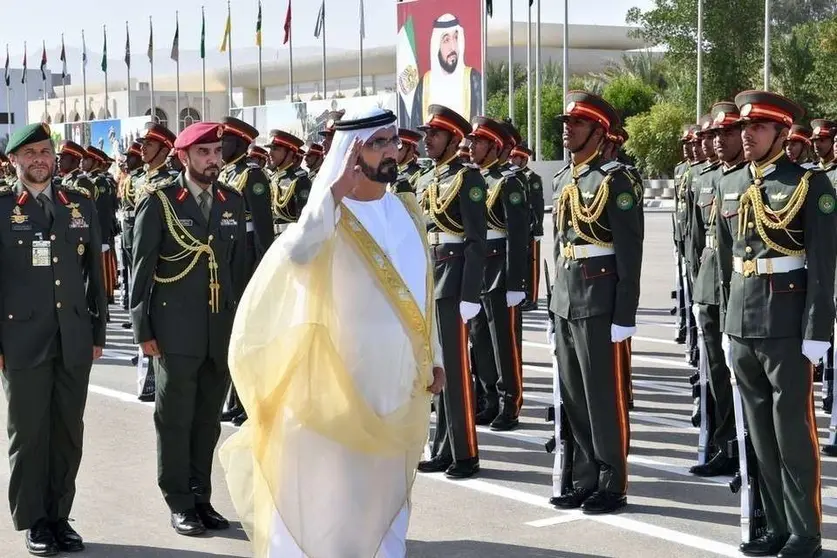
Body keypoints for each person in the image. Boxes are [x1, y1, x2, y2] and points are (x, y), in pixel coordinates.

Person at [219, 107, 444, 558]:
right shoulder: (328, 218)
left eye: (392, 142)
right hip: (339, 381)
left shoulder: (406, 210)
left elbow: (423, 295)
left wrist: (434, 357)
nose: (390, 151)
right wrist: (335, 191)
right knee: (331, 490)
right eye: (376, 143)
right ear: (350, 153)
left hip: (397, 380)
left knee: (386, 486)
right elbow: (297, 251)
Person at [716, 90, 834, 558]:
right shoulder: (734, 184)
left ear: (783, 135)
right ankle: (778, 526)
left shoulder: (809, 185)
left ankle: (806, 531)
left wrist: (817, 332)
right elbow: (729, 261)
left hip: (786, 325)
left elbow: (823, 266)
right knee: (760, 436)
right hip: (742, 322)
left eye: (758, 128)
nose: (746, 135)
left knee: (792, 435)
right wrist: (728, 325)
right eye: (743, 128)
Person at [131, 122, 246, 536]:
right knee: (175, 418)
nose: (213, 160)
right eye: (204, 153)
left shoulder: (231, 201)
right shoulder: (160, 203)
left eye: (217, 152)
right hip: (174, 330)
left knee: (207, 420)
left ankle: (201, 497)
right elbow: (141, 271)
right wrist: (143, 329)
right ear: (183, 157)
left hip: (218, 329)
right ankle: (179, 500)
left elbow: (239, 269)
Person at [0, 123, 106, 556]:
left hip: (74, 336)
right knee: (29, 435)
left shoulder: (77, 203)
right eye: (30, 154)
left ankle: (60, 517)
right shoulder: (4, 207)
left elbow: (94, 278)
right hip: (21, 337)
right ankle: (34, 521)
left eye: (45, 151)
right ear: (14, 161)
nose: (40, 159)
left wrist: (96, 330)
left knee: (67, 432)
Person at [550, 92, 642, 514]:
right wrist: (555, 302)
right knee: (574, 395)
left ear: (598, 130)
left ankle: (613, 481)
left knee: (603, 396)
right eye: (566, 123)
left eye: (577, 123)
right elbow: (559, 246)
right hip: (568, 297)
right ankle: (585, 478)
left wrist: (625, 314)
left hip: (600, 299)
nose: (567, 128)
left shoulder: (615, 179)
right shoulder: (564, 179)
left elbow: (629, 251)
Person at [414, 104, 487, 479]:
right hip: (431, 277)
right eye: (427, 134)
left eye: (435, 134)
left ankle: (466, 453)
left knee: (457, 371)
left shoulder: (469, 179)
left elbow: (477, 240)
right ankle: (442, 446)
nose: (428, 140)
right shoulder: (427, 179)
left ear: (453, 138)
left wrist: (471, 294)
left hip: (455, 278)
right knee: (437, 367)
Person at [687, 102, 743, 477]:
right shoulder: (708, 179)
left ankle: (742, 450)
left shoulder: (747, 179)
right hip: (708, 287)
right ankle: (725, 444)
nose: (715, 142)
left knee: (741, 379)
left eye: (722, 134)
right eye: (711, 136)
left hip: (738, 291)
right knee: (717, 375)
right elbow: (695, 240)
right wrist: (696, 287)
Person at [466, 116, 529, 431]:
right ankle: (488, 399)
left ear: (493, 146)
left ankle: (509, 404)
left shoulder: (509, 181)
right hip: (477, 269)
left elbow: (519, 236)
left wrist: (517, 281)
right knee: (480, 340)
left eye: (477, 141)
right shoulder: (475, 179)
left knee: (503, 341)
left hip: (500, 269)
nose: (471, 146)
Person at [401, 13, 482, 129]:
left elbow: (478, 125)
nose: (453, 47)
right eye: (446, 40)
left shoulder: (472, 79)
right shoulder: (425, 84)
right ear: (436, 46)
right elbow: (416, 129)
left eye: (456, 38)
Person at [83, 146, 120, 308]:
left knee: (102, 269)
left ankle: (105, 301)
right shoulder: (93, 180)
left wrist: (103, 237)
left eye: (86, 160)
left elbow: (104, 212)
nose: (82, 162)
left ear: (95, 162)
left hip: (101, 232)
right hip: (96, 232)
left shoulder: (99, 182)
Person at [510, 144, 544, 312]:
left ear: (524, 159)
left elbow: (537, 204)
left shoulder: (532, 178)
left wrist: (537, 228)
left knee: (532, 264)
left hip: (531, 227)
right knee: (522, 263)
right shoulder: (514, 177)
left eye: (515, 157)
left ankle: (533, 297)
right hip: (521, 227)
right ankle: (524, 294)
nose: (512, 160)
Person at [268, 128, 312, 241]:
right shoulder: (273, 178)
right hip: (272, 240)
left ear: (290, 153)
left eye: (275, 149)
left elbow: (304, 221)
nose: (270, 153)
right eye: (271, 149)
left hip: (290, 241)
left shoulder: (299, 181)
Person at [118, 140, 144, 320]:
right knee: (128, 272)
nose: (126, 161)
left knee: (137, 272)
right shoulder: (130, 178)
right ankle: (130, 311)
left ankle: (137, 314)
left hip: (136, 228)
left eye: (131, 158)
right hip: (126, 228)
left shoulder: (142, 179)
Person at [389, 128, 425, 195]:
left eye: (398, 147)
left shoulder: (419, 175)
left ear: (411, 150)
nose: (393, 151)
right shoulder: (390, 172)